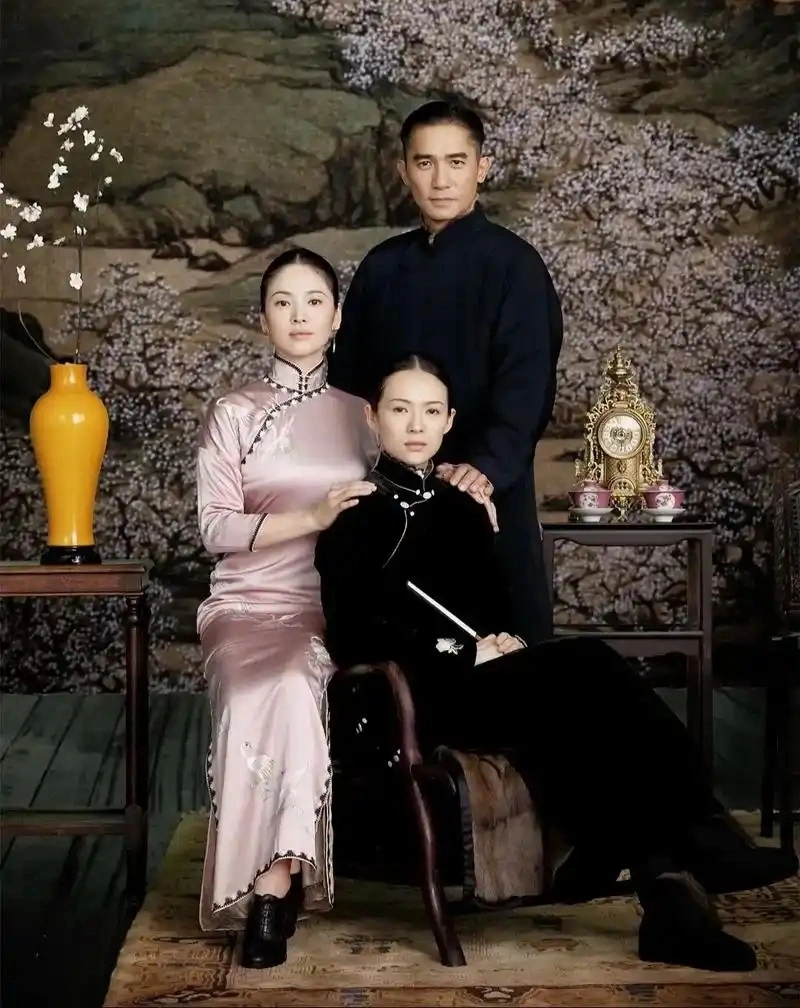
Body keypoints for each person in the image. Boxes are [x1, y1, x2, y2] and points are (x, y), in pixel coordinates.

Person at [315, 355, 798, 973]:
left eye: (431, 411)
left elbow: (494, 610)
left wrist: (504, 640)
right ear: (372, 416)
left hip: (489, 686)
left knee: (595, 702)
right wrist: (464, 650)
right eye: (400, 409)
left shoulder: (465, 508)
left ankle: (667, 899)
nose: (416, 425)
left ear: (450, 420)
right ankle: (700, 833)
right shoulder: (353, 516)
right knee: (591, 668)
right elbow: (353, 637)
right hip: (418, 695)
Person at [195, 247, 377, 968]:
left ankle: (275, 886)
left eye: (314, 302)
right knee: (254, 690)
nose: (299, 316)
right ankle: (268, 883)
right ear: (262, 318)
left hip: (330, 606)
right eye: (282, 302)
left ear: (337, 318)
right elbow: (216, 528)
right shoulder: (232, 413)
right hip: (246, 602)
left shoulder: (364, 416)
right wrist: (312, 517)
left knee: (298, 684)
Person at [328, 100, 562, 645]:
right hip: (390, 497)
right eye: (425, 162)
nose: (440, 180)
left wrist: (482, 469)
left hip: (485, 492)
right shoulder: (381, 268)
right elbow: (347, 385)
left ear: (482, 168)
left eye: (456, 162)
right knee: (399, 649)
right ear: (403, 170)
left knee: (507, 658)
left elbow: (528, 386)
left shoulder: (516, 266)